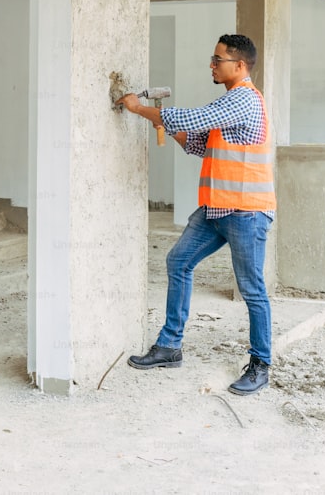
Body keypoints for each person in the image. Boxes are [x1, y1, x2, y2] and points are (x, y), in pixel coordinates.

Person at [116, 33, 275, 396]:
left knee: (252, 289)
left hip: (247, 213)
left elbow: (198, 117)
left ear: (240, 65)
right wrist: (165, 126)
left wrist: (141, 109)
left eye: (218, 60)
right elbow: (199, 143)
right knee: (178, 262)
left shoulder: (245, 100)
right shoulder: (230, 104)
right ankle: (170, 346)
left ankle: (260, 364)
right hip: (217, 209)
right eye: (213, 58)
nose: (212, 65)